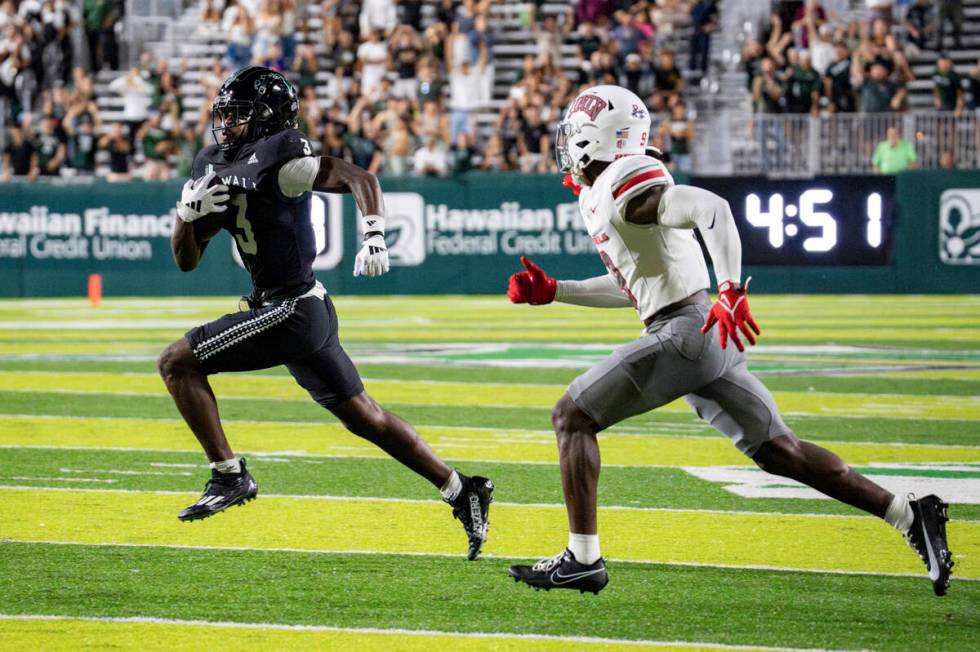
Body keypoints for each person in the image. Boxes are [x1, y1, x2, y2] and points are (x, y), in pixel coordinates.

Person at [504, 85, 953, 596]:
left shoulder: (625, 179)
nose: (566, 144)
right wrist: (558, 291)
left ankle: (583, 558)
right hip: (696, 331)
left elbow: (711, 208)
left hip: (688, 332)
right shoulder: (602, 193)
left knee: (571, 416)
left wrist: (732, 288)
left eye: (574, 133)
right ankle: (908, 513)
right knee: (782, 452)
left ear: (597, 139)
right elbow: (637, 288)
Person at [157, 66, 493, 559]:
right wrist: (186, 217)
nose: (226, 124)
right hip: (297, 309)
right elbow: (186, 259)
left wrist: (374, 232)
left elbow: (360, 176)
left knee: (175, 361)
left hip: (292, 309)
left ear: (269, 118)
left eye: (239, 115)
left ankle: (229, 476)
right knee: (366, 418)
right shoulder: (211, 163)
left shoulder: (283, 154)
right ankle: (462, 489)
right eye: (223, 113)